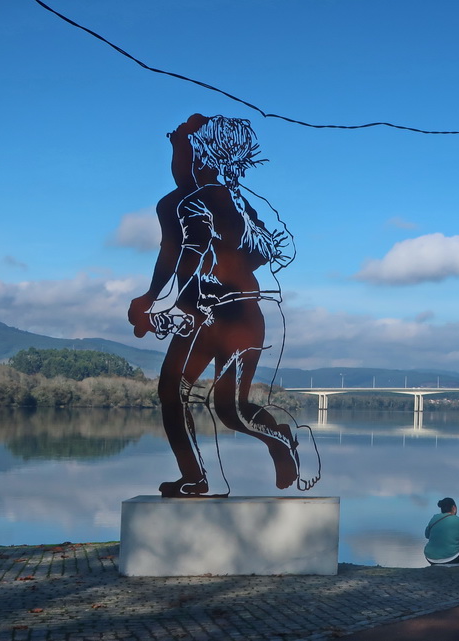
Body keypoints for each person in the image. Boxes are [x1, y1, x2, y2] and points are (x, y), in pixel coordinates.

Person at [128, 114, 318, 497]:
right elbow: (273, 249)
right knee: (215, 403)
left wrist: (157, 301)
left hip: (222, 316)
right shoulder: (239, 203)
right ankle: (206, 471)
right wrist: (160, 300)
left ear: (200, 156)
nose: (175, 160)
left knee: (209, 402)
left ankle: (255, 451)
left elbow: (184, 252)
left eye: (180, 148)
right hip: (238, 315)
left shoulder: (187, 203)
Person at [424, 497, 459, 565]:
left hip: (430, 558)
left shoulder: (434, 518)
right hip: (451, 558)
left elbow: (427, 535)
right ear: (454, 507)